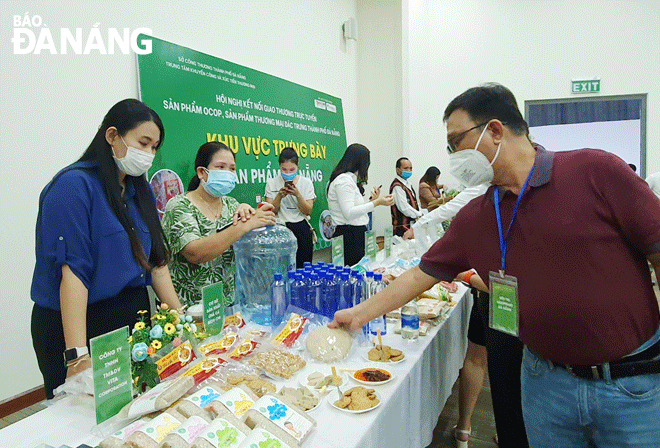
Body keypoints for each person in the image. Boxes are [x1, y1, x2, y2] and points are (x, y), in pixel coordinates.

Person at [332, 83, 660, 447]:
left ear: (495, 130)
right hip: (546, 383)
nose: (454, 155)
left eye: (456, 141)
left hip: (631, 385)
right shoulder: (478, 215)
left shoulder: (595, 171)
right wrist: (359, 314)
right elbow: (419, 275)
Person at [30, 99, 183, 398]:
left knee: (134, 408)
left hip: (128, 316)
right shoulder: (73, 186)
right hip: (78, 323)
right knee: (82, 421)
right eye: (143, 143)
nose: (149, 154)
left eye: (154, 147)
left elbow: (156, 262)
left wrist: (183, 321)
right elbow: (73, 271)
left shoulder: (140, 190)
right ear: (112, 136)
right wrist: (77, 356)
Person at [161, 142, 276, 308]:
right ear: (202, 172)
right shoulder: (179, 206)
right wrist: (244, 226)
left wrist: (256, 221)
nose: (228, 173)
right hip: (191, 312)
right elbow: (195, 253)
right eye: (221, 167)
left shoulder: (232, 205)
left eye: (232, 169)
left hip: (229, 306)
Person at [326, 143, 394, 266]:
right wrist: (376, 203)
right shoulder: (343, 181)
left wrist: (373, 201)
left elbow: (355, 211)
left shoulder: (349, 180)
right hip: (349, 236)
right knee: (353, 273)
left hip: (355, 234)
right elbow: (349, 213)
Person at [264, 147, 316, 268]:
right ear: (279, 167)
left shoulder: (306, 182)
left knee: (303, 268)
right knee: (282, 268)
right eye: (284, 169)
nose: (288, 173)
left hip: (301, 229)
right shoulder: (271, 183)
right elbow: (271, 210)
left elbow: (308, 210)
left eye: (291, 169)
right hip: (281, 228)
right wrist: (279, 196)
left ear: (297, 167)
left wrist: (297, 194)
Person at [390, 157, 423, 237]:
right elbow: (404, 207)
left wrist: (420, 212)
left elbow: (415, 203)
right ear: (398, 170)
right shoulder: (397, 186)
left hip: (411, 225)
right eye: (405, 168)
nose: (409, 171)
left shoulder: (408, 184)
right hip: (402, 228)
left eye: (410, 168)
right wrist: (419, 214)